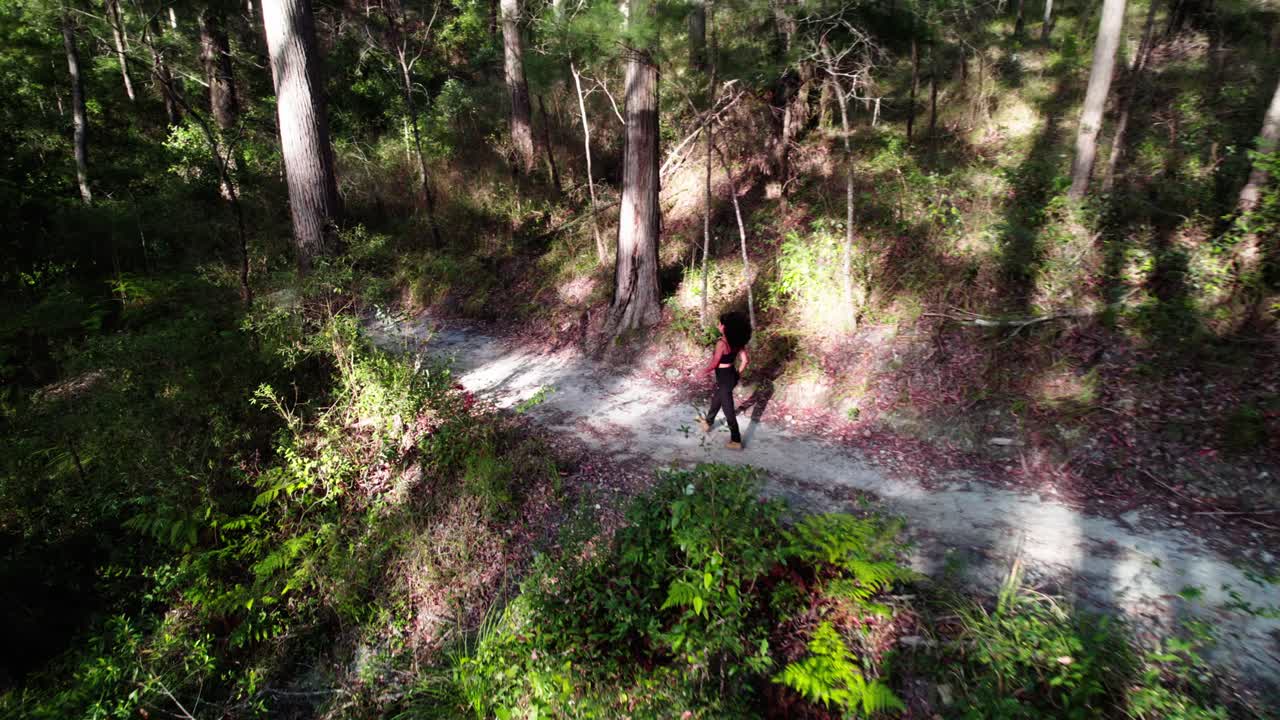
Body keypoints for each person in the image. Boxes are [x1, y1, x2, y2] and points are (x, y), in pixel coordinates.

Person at [698, 311, 751, 449]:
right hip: (731, 374)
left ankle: (736, 440)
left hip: (723, 376)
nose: (719, 325)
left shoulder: (722, 343)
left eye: (721, 324)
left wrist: (703, 372)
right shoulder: (737, 341)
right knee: (718, 397)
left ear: (725, 327)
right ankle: (708, 422)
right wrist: (737, 375)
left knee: (728, 410)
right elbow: (745, 361)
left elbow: (715, 363)